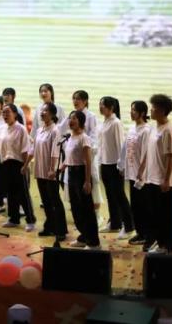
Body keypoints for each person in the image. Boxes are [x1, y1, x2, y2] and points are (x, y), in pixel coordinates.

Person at [0, 103, 36, 231]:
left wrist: (25, 166)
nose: (5, 115)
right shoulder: (1, 129)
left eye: (8, 112)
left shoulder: (21, 129)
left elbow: (25, 149)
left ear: (15, 114)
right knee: (10, 193)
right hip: (5, 164)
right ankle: (13, 219)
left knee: (23, 194)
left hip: (18, 164)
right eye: (4, 112)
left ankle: (30, 220)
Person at [139, 94, 172, 254]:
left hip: (162, 180)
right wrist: (142, 169)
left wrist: (166, 180)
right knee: (154, 213)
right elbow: (149, 151)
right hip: (151, 178)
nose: (151, 110)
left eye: (153, 108)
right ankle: (160, 243)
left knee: (166, 215)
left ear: (162, 110)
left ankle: (169, 246)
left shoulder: (168, 130)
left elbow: (170, 156)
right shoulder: (154, 127)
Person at [27, 102, 67, 240]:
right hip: (40, 170)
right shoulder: (39, 130)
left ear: (52, 114)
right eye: (42, 110)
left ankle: (61, 230)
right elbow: (33, 149)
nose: (42, 113)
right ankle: (50, 226)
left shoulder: (55, 131)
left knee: (55, 200)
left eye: (45, 111)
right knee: (46, 201)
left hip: (50, 172)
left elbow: (55, 152)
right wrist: (26, 164)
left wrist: (52, 169)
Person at [60, 110, 100, 249]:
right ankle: (84, 237)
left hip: (81, 174)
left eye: (74, 118)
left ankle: (93, 242)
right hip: (71, 174)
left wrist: (87, 181)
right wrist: (62, 167)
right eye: (70, 118)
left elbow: (88, 161)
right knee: (76, 209)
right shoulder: (70, 137)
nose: (71, 121)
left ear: (81, 121)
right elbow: (69, 157)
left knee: (86, 209)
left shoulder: (84, 138)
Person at [98, 96, 134, 238]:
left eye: (103, 105)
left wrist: (122, 165)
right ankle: (115, 223)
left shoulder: (116, 123)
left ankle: (129, 226)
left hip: (115, 165)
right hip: (105, 163)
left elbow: (121, 145)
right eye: (100, 104)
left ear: (111, 107)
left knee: (119, 195)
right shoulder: (104, 122)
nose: (100, 107)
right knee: (110, 196)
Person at [121, 100, 151, 246]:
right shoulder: (132, 128)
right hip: (132, 173)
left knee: (143, 205)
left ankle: (146, 234)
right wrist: (122, 166)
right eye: (131, 109)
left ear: (142, 113)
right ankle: (140, 232)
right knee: (135, 206)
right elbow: (126, 148)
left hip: (141, 175)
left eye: (134, 110)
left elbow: (147, 153)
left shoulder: (146, 130)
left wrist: (141, 171)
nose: (131, 112)